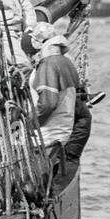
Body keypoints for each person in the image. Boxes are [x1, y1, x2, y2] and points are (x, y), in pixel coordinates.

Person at [28, 19, 89, 182]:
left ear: (38, 43)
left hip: (48, 134)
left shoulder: (48, 65)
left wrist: (29, 123)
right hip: (62, 130)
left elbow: (47, 104)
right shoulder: (66, 62)